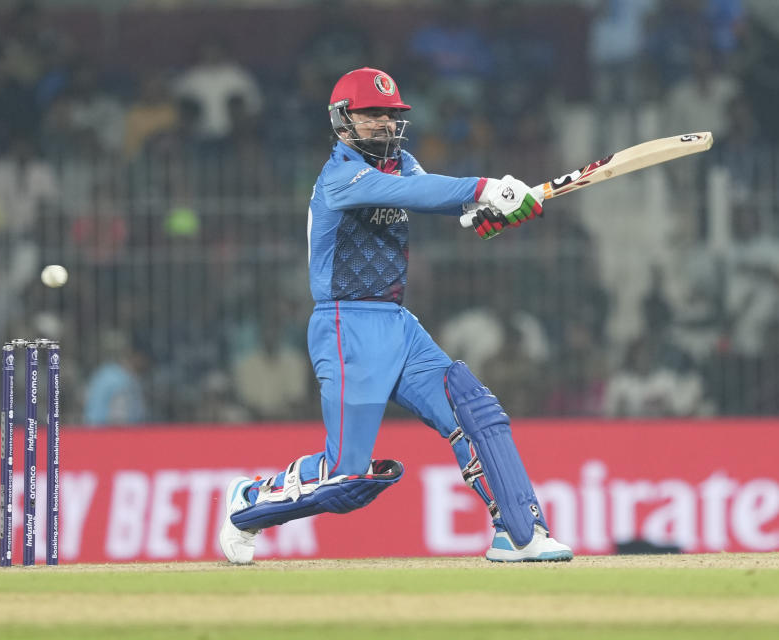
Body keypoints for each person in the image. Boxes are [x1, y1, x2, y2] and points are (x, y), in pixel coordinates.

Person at [218, 67, 572, 564]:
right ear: (343, 123)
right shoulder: (340, 177)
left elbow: (441, 200)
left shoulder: (401, 164)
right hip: (347, 327)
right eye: (372, 115)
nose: (385, 123)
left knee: (475, 409)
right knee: (346, 480)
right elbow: (416, 196)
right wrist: (487, 188)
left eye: (391, 114)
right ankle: (248, 503)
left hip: (399, 326)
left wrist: (494, 211)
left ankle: (519, 532)